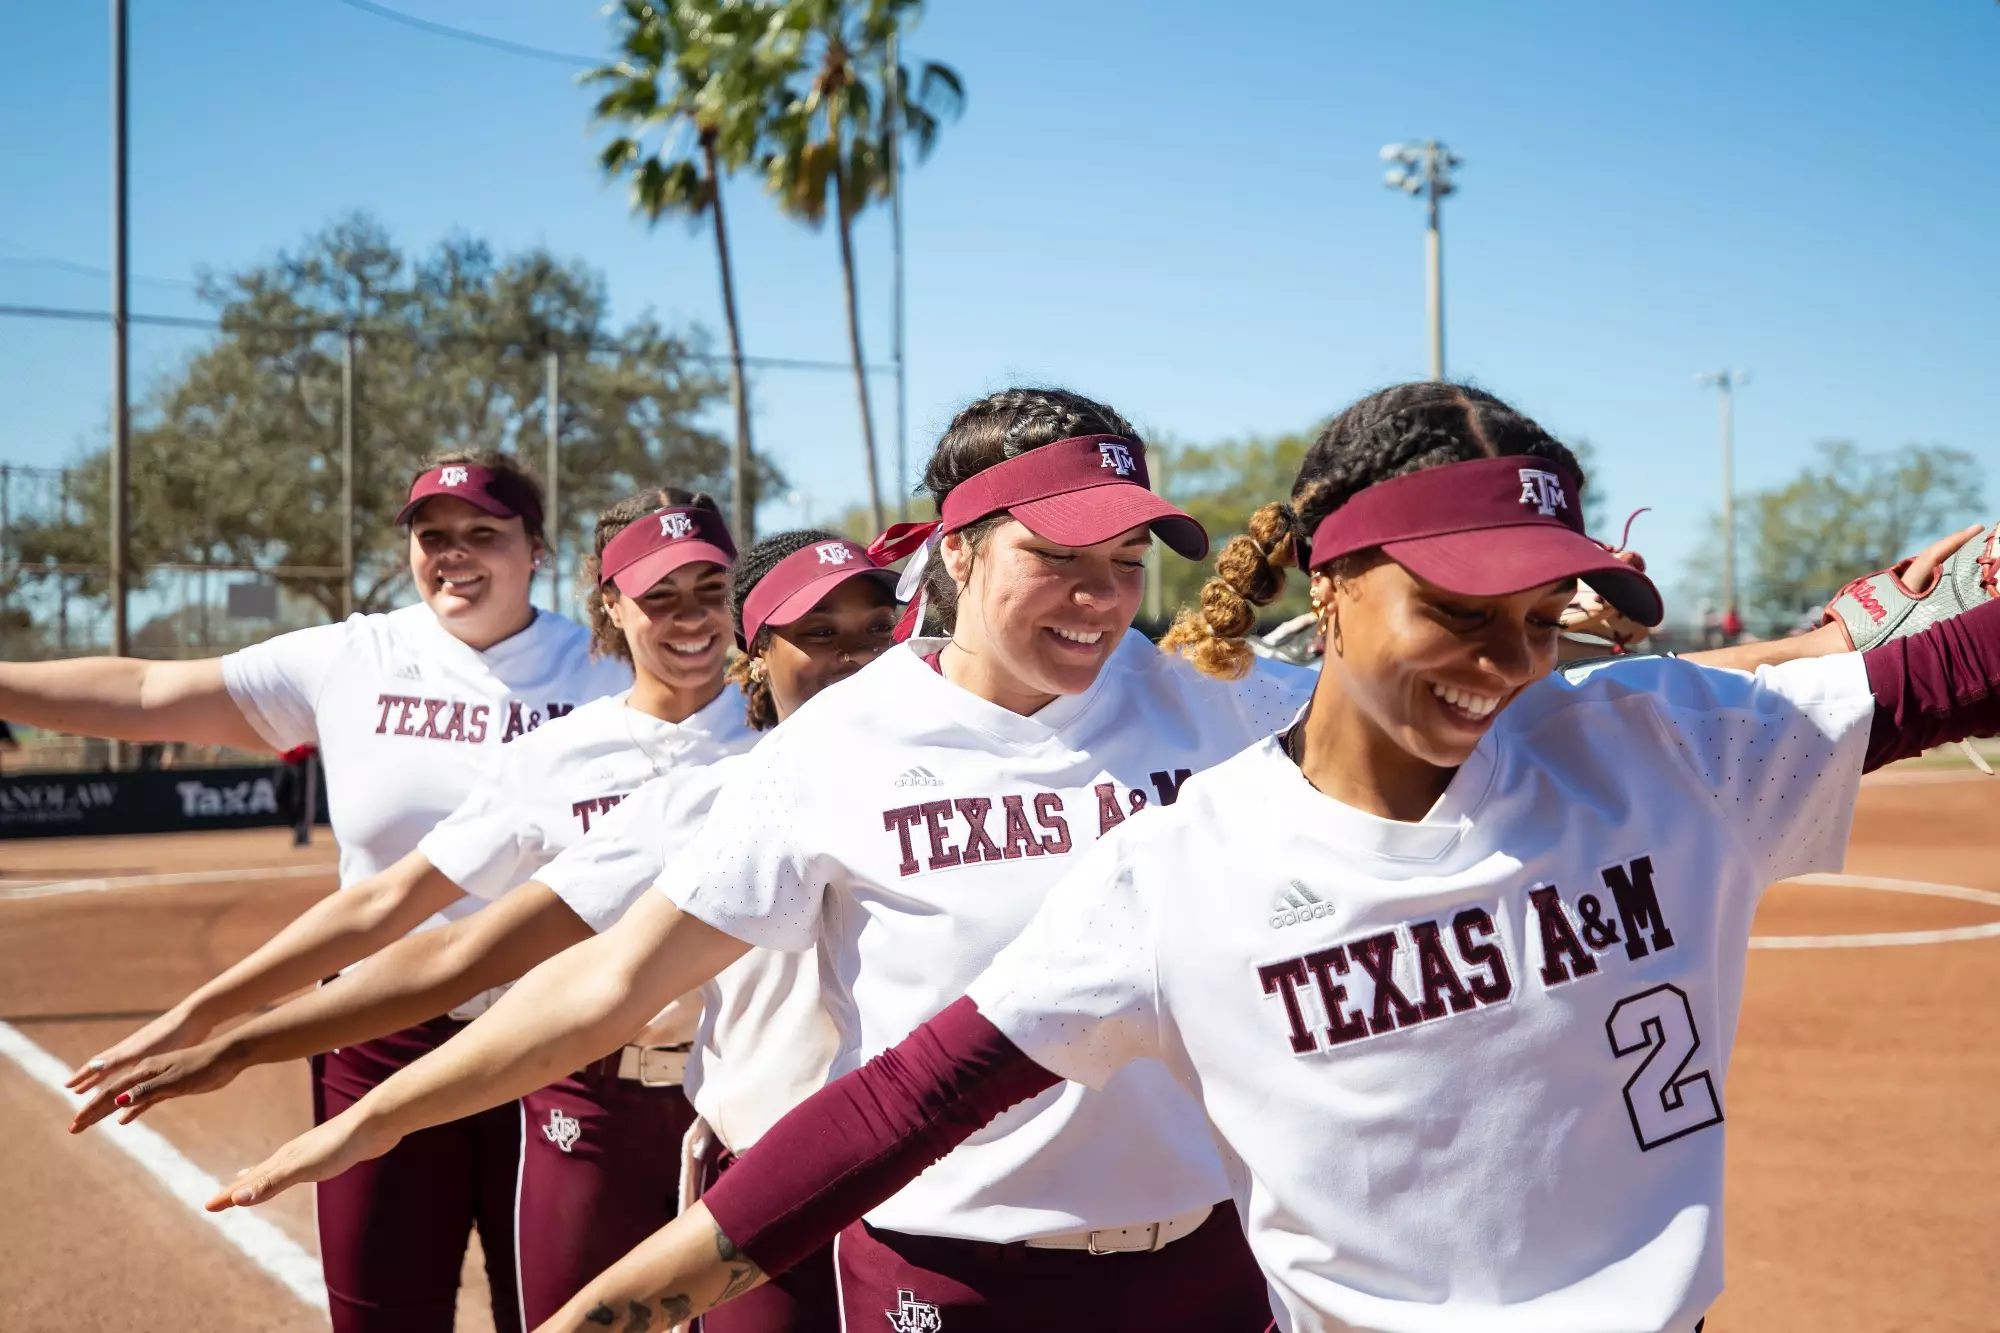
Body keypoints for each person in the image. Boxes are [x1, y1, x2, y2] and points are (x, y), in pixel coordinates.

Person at [524, 383, 2000, 1333]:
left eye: (1544, 617)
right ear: (1337, 587)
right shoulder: (1183, 867)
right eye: (1461, 612)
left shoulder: (1659, 742)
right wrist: (635, 1302)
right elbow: (909, 1102)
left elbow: (1949, 679)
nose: (1511, 663)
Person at [204, 387, 1319, 1333]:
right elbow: (611, 980)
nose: (1102, 597)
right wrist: (372, 1118)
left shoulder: (1219, 706)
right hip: (950, 1268)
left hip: (1207, 1265)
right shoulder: (839, 745)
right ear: (960, 551)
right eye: (1058, 558)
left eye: (1125, 561)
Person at [75, 527, 900, 1333]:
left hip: (912, 1172)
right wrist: (238, 1036)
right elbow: (462, 946)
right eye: (817, 632)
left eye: (875, 628)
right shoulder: (700, 794)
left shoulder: (984, 765)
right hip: (662, 1116)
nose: (856, 655)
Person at [0, 452, 632, 1333]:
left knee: (561, 1317)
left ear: (536, 546)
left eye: (483, 534)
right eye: (431, 535)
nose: (453, 554)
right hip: (378, 1028)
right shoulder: (356, 655)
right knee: (380, 1316)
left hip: (558, 1036)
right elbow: (149, 690)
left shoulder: (607, 671)